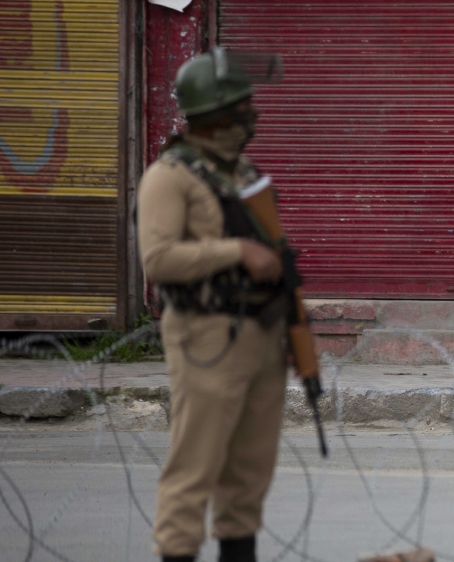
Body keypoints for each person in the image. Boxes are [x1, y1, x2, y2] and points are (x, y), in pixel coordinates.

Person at [138, 47, 289, 562]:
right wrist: (236, 251)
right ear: (217, 113)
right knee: (195, 465)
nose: (253, 116)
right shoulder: (169, 176)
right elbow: (157, 259)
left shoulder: (245, 174)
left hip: (261, 333)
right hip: (205, 335)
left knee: (248, 471)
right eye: (243, 107)